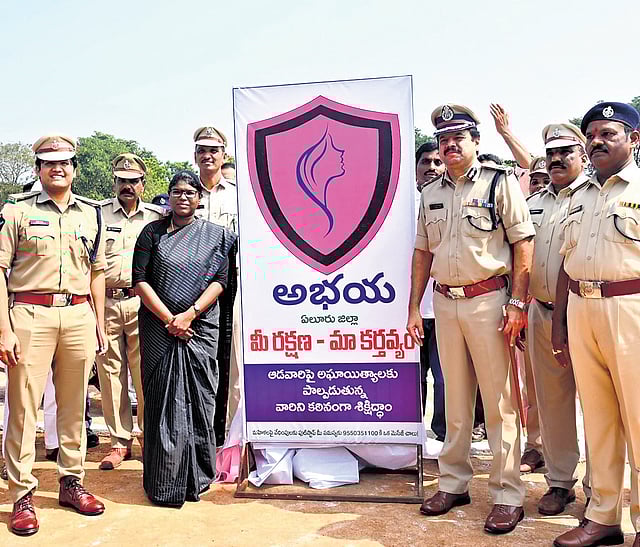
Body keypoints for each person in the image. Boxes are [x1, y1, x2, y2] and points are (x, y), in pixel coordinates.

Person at [408, 104, 534, 534]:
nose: (451, 145)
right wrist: (413, 307)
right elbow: (422, 252)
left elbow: (523, 244)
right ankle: (453, 483)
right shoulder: (431, 191)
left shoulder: (499, 181)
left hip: (490, 301)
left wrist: (517, 302)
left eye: (459, 137)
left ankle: (506, 494)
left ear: (476, 141)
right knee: (455, 401)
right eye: (444, 139)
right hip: (445, 303)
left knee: (500, 403)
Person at [0, 134, 107, 536]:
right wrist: (4, 328)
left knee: (74, 404)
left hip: (78, 314)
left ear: (74, 168)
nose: (57, 168)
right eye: (49, 163)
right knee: (23, 407)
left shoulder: (91, 214)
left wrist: (98, 322)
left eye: (64, 162)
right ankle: (21, 494)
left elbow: (96, 271)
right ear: (38, 169)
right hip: (29, 313)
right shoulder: (16, 209)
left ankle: (71, 480)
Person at [552, 102, 640, 547]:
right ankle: (603, 516)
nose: (597, 141)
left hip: (630, 309)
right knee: (599, 420)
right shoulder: (578, 195)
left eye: (609, 133)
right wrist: (560, 325)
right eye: (592, 135)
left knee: (639, 418)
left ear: (634, 140)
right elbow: (566, 262)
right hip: (581, 308)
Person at [133, 170, 237, 507]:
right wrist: (170, 319)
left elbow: (221, 281)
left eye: (190, 192)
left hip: (200, 329)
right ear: (168, 196)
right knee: (162, 403)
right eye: (176, 192)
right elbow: (140, 280)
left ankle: (198, 477)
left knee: (200, 400)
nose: (183, 197)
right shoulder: (152, 234)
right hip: (159, 330)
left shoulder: (216, 237)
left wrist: (190, 314)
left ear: (199, 199)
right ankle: (164, 481)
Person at [526, 124, 592, 517]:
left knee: (599, 406)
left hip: (586, 312)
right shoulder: (534, 202)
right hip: (541, 310)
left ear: (582, 155)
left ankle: (599, 489)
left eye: (566, 151)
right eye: (551, 153)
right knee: (552, 402)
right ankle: (560, 482)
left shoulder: (595, 196)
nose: (556, 159)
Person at [96, 153, 165, 470]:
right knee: (110, 374)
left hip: (142, 303)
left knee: (145, 373)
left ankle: (148, 438)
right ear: (114, 183)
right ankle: (119, 442)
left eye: (133, 181)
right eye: (122, 181)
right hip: (106, 301)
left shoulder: (156, 217)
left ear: (142, 184)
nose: (127, 186)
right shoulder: (97, 214)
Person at [488, 105, 545, 473]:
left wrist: (507, 134)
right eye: (534, 179)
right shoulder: (526, 202)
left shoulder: (580, 198)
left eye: (543, 178)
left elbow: (532, 161)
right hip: (529, 304)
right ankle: (535, 446)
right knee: (530, 382)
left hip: (574, 302)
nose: (538, 183)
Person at [193, 126, 239, 446]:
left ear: (224, 155)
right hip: (192, 285)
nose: (208, 156)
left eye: (214, 150)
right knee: (197, 359)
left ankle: (226, 436)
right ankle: (198, 433)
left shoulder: (237, 194)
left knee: (228, 358)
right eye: (202, 150)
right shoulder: (184, 192)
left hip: (230, 285)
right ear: (195, 155)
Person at [414, 142, 446, 442]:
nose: (432, 167)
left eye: (438, 162)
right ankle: (413, 437)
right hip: (410, 309)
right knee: (413, 377)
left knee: (446, 378)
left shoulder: (454, 200)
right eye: (425, 161)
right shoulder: (400, 206)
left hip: (446, 306)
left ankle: (444, 437)